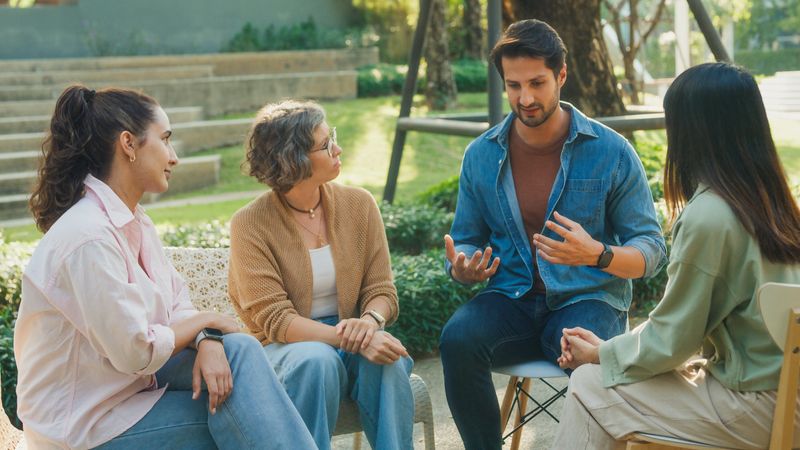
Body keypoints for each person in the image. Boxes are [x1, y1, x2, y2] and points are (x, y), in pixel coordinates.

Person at [14, 85, 315, 450]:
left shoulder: (134, 221)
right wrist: (204, 322)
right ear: (128, 144)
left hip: (127, 394)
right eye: (165, 140)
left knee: (239, 352)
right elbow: (134, 351)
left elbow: (177, 301)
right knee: (241, 416)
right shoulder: (88, 238)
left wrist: (207, 339)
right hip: (84, 428)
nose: (174, 157)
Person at [438, 19, 667, 449]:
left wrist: (597, 254)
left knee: (591, 361)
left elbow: (652, 251)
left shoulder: (611, 150)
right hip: (510, 299)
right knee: (457, 338)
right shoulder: (482, 155)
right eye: (513, 85)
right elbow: (464, 238)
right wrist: (463, 267)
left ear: (562, 74)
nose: (525, 98)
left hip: (588, 299)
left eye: (537, 83)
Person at [552, 62, 800, 449]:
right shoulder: (776, 203)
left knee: (589, 383)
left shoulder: (709, 216)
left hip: (762, 405)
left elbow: (673, 341)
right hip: (788, 393)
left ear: (691, 132)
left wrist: (603, 352)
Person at [227, 99, 414, 450]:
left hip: (353, 333)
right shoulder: (249, 223)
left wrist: (371, 323)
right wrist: (351, 338)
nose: (338, 148)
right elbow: (276, 321)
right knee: (317, 360)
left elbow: (381, 289)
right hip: (286, 348)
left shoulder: (360, 204)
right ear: (293, 159)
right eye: (326, 144)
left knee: (387, 360)